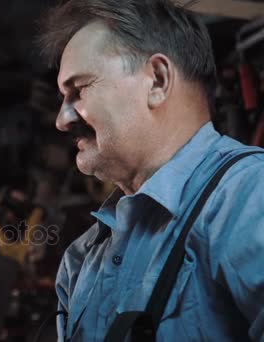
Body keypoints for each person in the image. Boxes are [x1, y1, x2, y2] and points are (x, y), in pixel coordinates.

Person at [39, 0, 264, 340]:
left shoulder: (247, 199)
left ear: (157, 81)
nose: (62, 120)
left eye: (78, 90)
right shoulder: (83, 258)